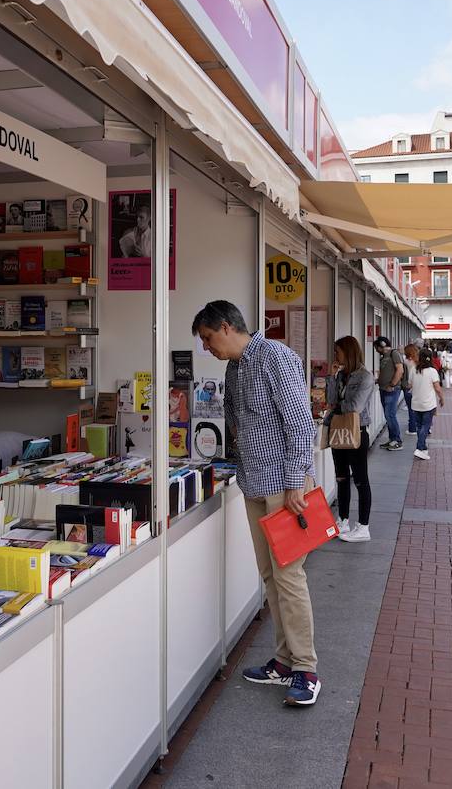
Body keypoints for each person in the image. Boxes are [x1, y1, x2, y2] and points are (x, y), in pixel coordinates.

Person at [192, 301, 321, 706]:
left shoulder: (275, 357)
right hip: (253, 483)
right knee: (269, 576)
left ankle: (306, 669)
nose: (207, 348)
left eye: (209, 339)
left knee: (289, 577)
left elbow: (300, 422)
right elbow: (238, 423)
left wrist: (299, 477)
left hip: (285, 486)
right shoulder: (234, 368)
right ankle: (283, 661)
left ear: (227, 327)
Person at [325, 336, 375, 542]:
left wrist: (336, 408)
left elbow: (355, 406)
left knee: (361, 479)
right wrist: (331, 377)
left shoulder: (365, 377)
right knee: (341, 477)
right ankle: (343, 519)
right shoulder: (341, 375)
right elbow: (330, 400)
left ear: (348, 352)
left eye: (338, 351)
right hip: (338, 430)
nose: (335, 355)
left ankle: (363, 526)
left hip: (357, 431)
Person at [409, 350, 444, 460]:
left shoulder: (413, 369)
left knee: (419, 426)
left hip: (416, 403)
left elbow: (409, 385)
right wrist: (442, 398)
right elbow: (437, 388)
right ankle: (419, 448)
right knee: (426, 426)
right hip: (428, 403)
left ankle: (423, 448)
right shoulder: (432, 371)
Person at [374, 337, 404, 450]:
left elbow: (400, 370)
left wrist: (392, 385)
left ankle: (397, 441)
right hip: (383, 389)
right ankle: (392, 440)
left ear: (381, 345)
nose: (376, 350)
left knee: (390, 415)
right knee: (388, 415)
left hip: (391, 390)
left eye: (377, 347)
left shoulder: (394, 353)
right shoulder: (383, 357)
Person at [401, 343, 419, 436]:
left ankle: (412, 428)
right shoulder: (418, 362)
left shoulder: (406, 361)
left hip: (408, 386)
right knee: (417, 408)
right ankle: (420, 426)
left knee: (411, 409)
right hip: (418, 387)